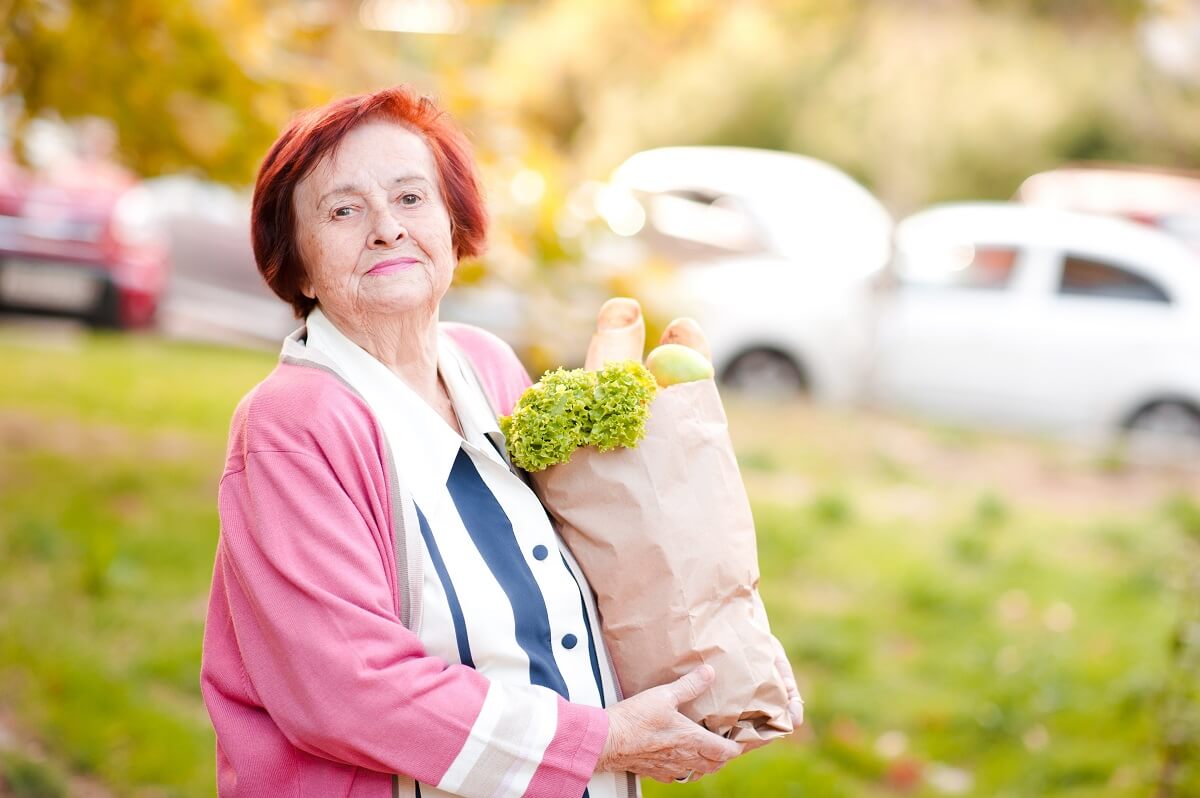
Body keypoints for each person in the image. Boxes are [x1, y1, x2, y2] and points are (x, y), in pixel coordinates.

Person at [200, 85, 802, 798]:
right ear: (295, 263)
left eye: (411, 198)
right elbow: (347, 685)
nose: (387, 228)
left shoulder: (485, 365)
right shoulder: (292, 424)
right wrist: (604, 740)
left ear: (453, 223)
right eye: (342, 210)